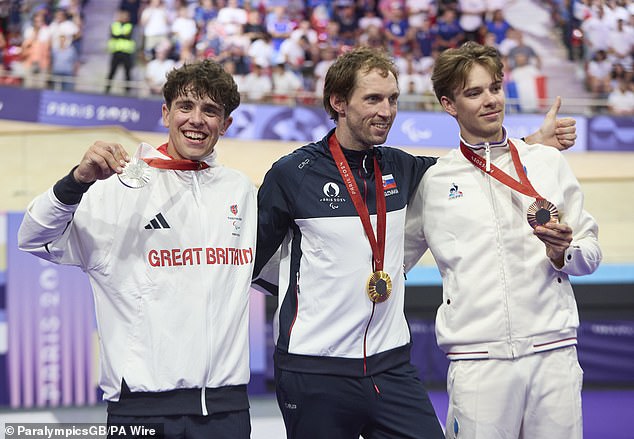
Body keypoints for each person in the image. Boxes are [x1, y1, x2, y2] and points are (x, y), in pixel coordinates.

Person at [252, 46, 577, 439]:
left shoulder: (403, 167)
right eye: (372, 99)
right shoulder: (292, 174)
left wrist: (528, 142)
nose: (386, 111)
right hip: (314, 369)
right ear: (338, 102)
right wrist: (304, 289)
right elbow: (250, 262)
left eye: (392, 100)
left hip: (390, 368)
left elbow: (469, 169)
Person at [18, 59, 256, 439]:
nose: (197, 120)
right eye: (185, 107)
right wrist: (76, 181)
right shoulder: (118, 187)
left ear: (225, 124)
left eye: (211, 111)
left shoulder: (241, 191)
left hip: (227, 411)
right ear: (165, 113)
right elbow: (32, 237)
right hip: (142, 410)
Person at [404, 41, 602, 439]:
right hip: (478, 362)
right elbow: (395, 261)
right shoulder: (434, 181)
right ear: (448, 104)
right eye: (473, 93)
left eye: (494, 87)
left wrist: (564, 254)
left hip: (554, 355)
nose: (490, 100)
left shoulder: (546, 162)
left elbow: (591, 253)